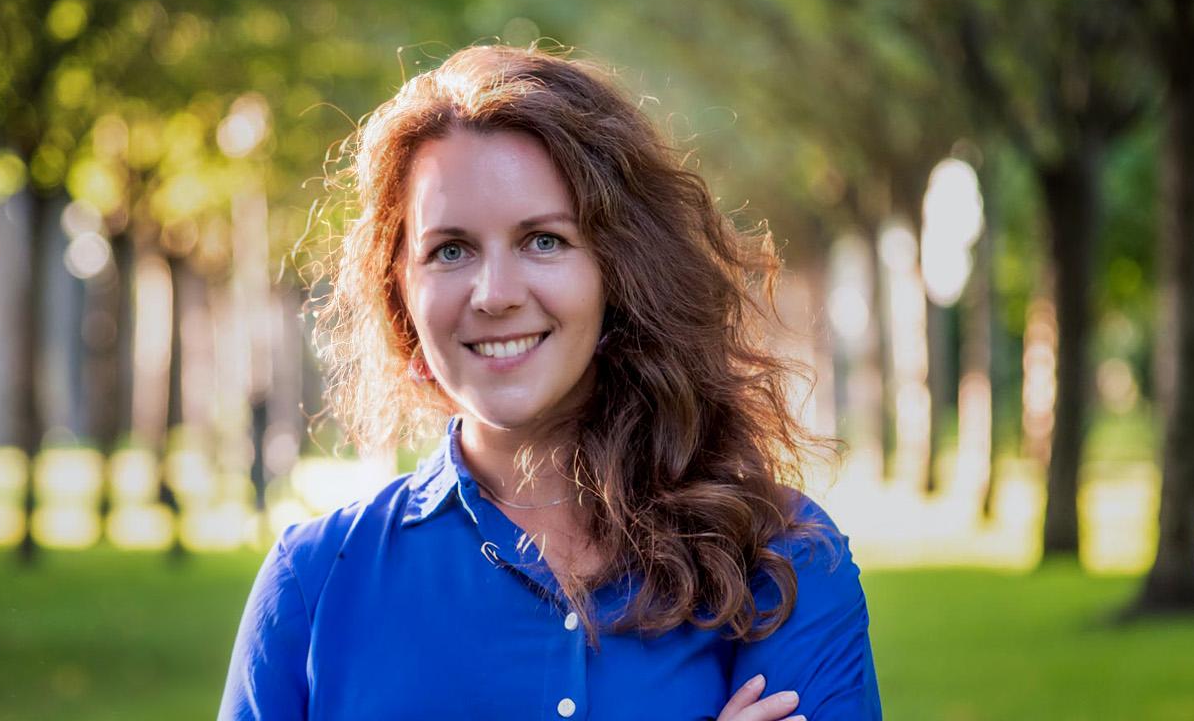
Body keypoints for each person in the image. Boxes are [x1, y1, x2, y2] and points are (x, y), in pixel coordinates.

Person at [220, 45, 883, 721]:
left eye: (543, 241)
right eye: (451, 250)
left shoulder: (783, 560)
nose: (495, 294)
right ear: (401, 292)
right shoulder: (314, 587)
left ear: (619, 269)